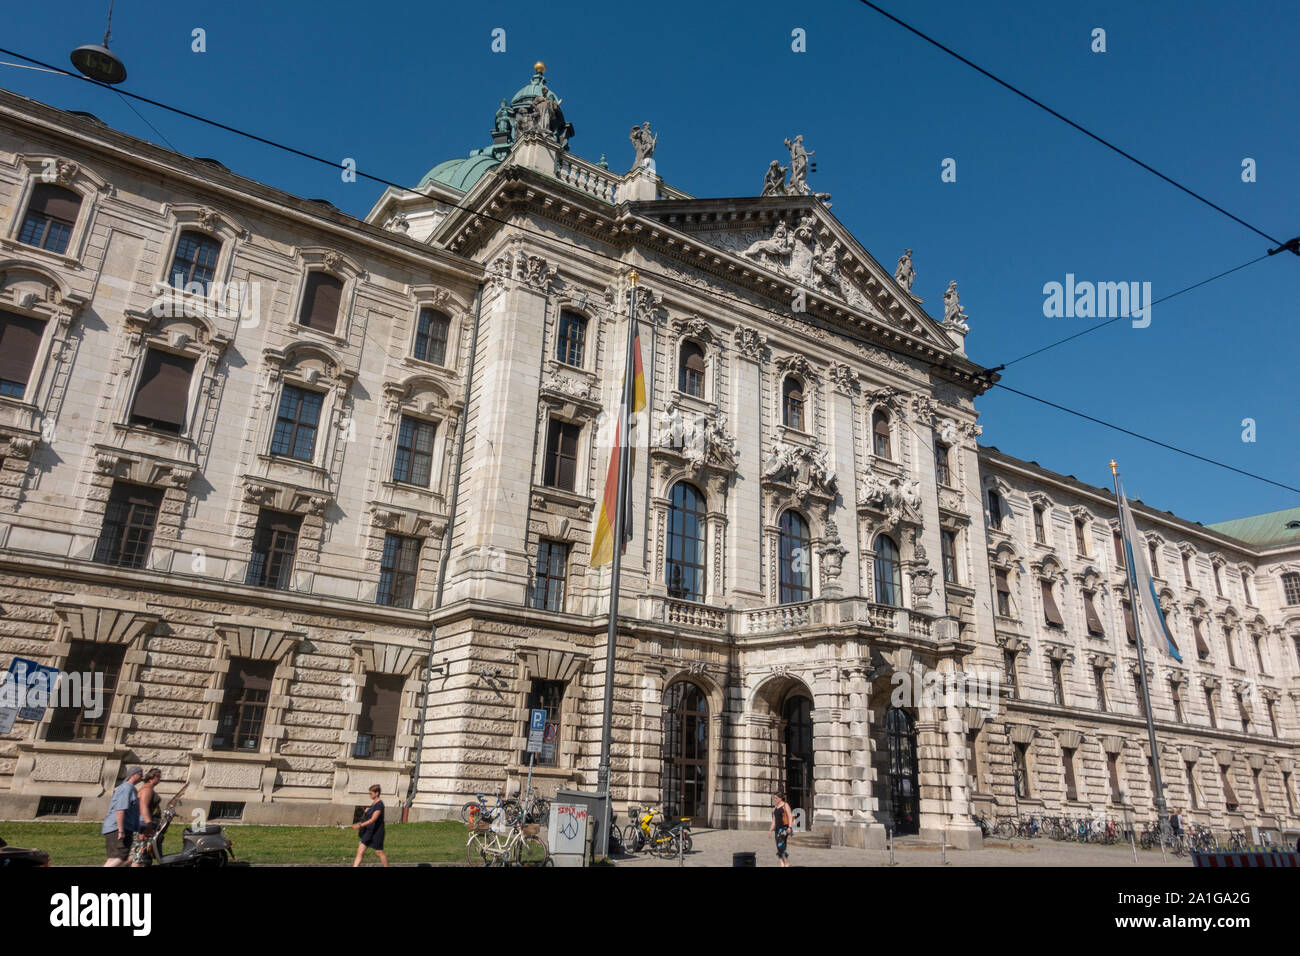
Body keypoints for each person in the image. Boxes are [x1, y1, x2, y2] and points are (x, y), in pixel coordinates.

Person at [102, 766, 143, 867]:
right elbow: (120, 810)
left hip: (118, 827)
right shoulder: (127, 788)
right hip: (118, 828)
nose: (142, 777)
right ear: (133, 775)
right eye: (140, 774)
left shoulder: (129, 788)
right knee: (119, 858)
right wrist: (121, 830)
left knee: (113, 858)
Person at [130, 769, 163, 866]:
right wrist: (148, 824)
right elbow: (143, 806)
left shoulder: (148, 788)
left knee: (141, 855)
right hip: (144, 828)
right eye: (158, 777)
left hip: (145, 826)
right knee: (139, 856)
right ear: (152, 777)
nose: (160, 779)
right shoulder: (147, 789)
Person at [352, 784, 389, 867]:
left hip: (377, 832)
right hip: (368, 832)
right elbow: (370, 815)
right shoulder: (374, 803)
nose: (369, 795)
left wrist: (360, 825)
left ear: (377, 793)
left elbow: (373, 819)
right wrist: (367, 811)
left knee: (379, 852)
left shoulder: (379, 805)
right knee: (360, 851)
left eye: (371, 793)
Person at [769, 792, 792, 868]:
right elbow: (774, 820)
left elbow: (790, 817)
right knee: (779, 846)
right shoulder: (775, 807)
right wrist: (770, 830)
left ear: (780, 798)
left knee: (780, 845)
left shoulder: (785, 805)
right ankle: (782, 862)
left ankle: (786, 862)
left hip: (784, 829)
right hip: (777, 829)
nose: (775, 799)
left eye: (776, 798)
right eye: (774, 798)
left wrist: (790, 827)